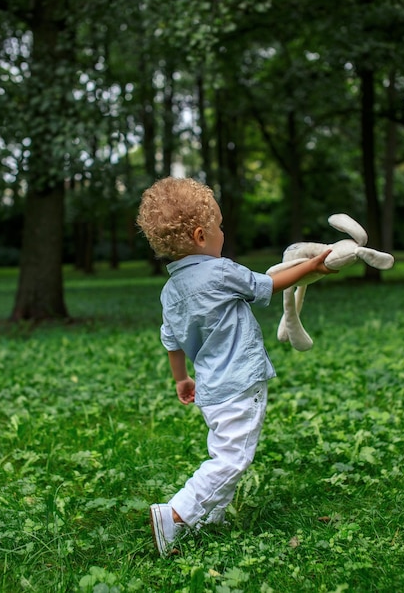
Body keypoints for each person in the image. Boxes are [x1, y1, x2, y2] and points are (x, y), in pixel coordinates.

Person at [136, 176, 335, 556]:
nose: (222, 233)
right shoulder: (222, 271)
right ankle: (177, 513)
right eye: (219, 227)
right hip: (239, 384)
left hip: (211, 390)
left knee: (223, 451)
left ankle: (212, 516)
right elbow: (270, 285)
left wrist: (181, 379)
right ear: (199, 235)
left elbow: (171, 341)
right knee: (233, 458)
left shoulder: (171, 291)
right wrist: (312, 266)